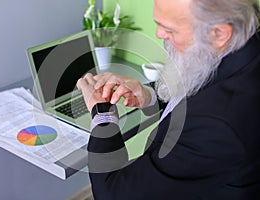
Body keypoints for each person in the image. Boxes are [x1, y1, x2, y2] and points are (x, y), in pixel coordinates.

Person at [77, 0, 260, 199]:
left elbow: (112, 193)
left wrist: (102, 113)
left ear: (219, 34)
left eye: (170, 30)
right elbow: (199, 87)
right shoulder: (246, 45)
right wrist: (148, 95)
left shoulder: (217, 128)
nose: (159, 35)